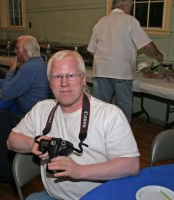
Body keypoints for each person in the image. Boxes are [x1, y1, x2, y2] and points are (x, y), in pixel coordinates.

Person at [7, 50, 140, 200]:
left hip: (97, 196)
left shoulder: (109, 115)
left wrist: (79, 171)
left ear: (83, 79)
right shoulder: (41, 109)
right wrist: (34, 143)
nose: (64, 83)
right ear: (49, 83)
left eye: (71, 75)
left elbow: (131, 165)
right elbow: (11, 141)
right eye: (57, 77)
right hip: (53, 196)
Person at [87, 0, 163, 123]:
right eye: (130, 8)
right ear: (126, 7)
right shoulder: (130, 21)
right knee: (123, 105)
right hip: (121, 71)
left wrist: (105, 59)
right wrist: (158, 54)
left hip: (101, 71)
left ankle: (97, 133)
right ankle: (122, 135)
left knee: (100, 106)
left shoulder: (101, 22)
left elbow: (91, 49)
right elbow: (147, 45)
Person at [0, 35, 53, 118]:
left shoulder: (28, 68)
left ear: (24, 51)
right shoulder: (40, 63)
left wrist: (11, 69)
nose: (14, 51)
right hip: (42, 113)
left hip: (29, 117)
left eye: (16, 48)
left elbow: (5, 95)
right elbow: (16, 82)